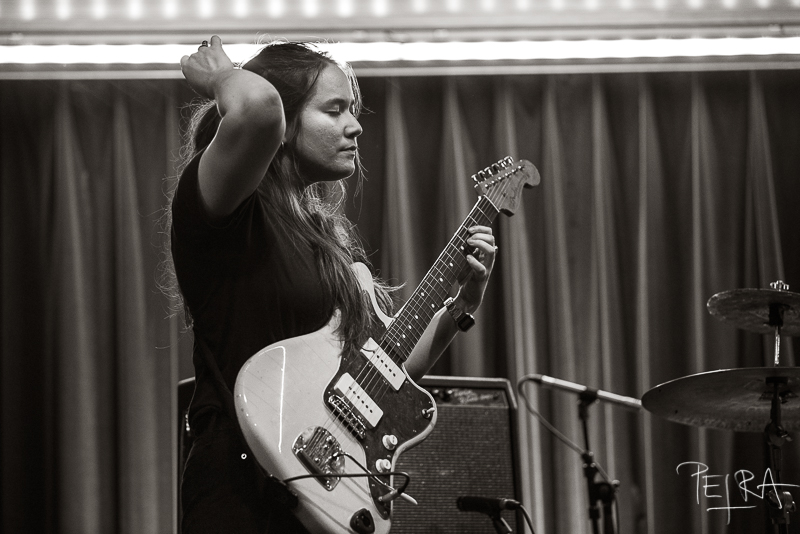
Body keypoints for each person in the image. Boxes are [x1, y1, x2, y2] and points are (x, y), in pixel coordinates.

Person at [167, 35, 498, 534]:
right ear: (286, 122)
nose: (355, 125)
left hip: (324, 494)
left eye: (353, 110)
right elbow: (258, 109)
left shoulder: (330, 245)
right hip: (242, 492)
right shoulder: (230, 207)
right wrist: (221, 77)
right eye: (334, 109)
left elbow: (385, 371)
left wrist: (462, 305)